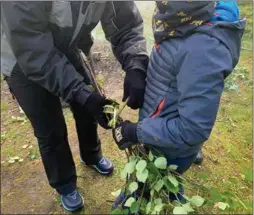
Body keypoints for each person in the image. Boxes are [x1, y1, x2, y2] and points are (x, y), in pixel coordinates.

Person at [1, 1, 148, 212]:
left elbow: (125, 23)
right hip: (21, 58)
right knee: (49, 128)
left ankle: (92, 154)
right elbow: (32, 49)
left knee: (88, 108)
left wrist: (136, 64)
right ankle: (65, 183)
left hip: (70, 46)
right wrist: (80, 92)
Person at [112, 0, 246, 209]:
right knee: (158, 184)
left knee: (150, 188)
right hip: (160, 133)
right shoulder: (185, 17)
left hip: (167, 146)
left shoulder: (202, 49)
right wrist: (140, 74)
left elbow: (192, 129)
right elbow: (176, 74)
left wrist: (136, 132)